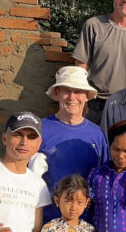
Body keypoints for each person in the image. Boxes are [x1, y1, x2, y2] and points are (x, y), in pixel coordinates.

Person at [38, 66, 109, 223]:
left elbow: (104, 179)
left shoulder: (96, 134)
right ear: (56, 94)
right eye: (66, 91)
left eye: (78, 92)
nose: (72, 97)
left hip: (86, 224)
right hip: (47, 222)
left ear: (86, 96)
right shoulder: (40, 129)